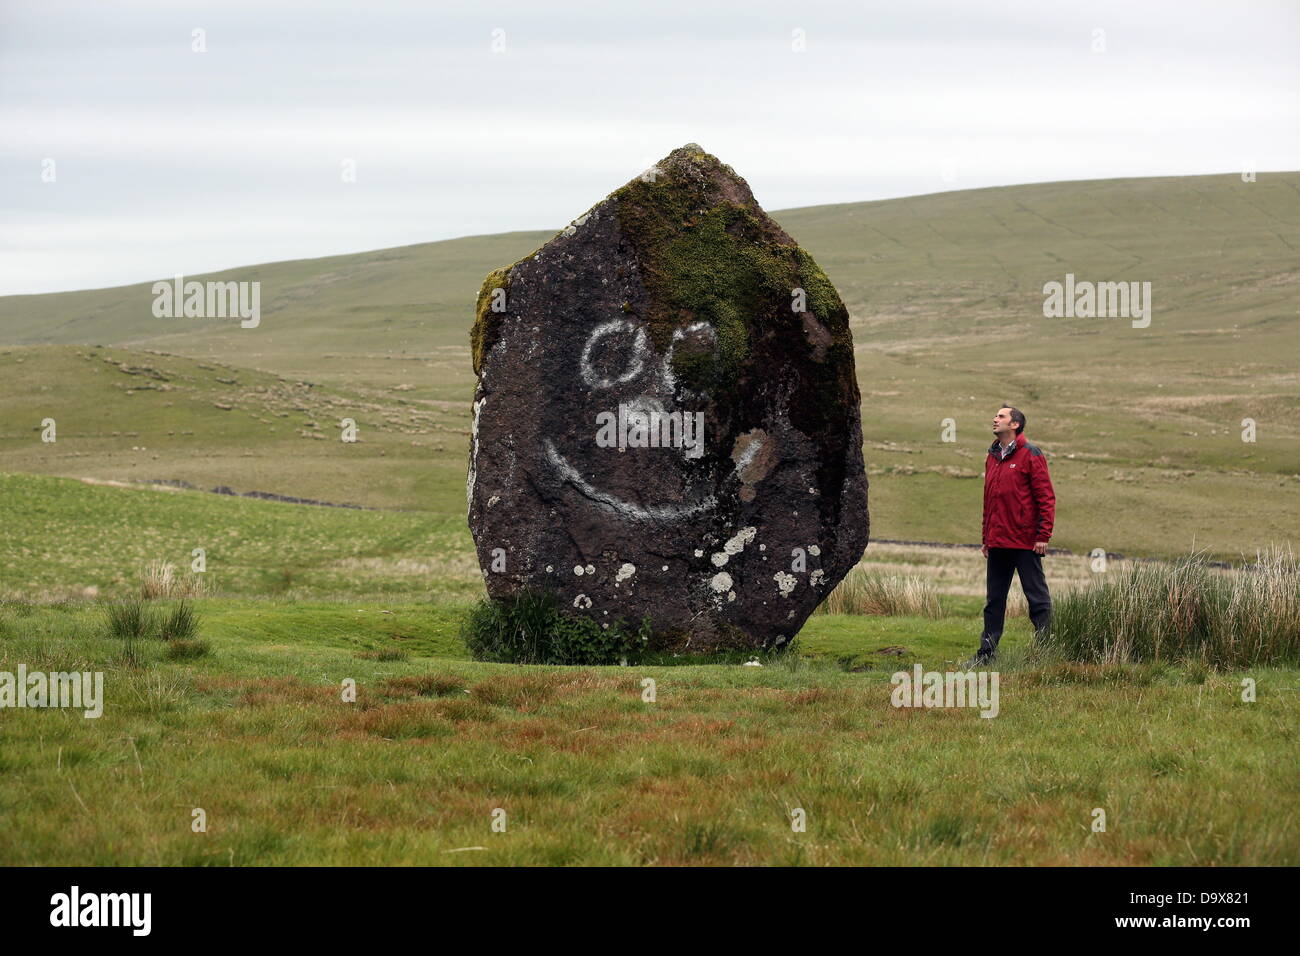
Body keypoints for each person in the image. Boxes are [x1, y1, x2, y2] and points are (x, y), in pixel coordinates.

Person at [969, 405, 1055, 666]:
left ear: (1015, 424)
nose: (995, 419)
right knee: (994, 601)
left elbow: (1046, 497)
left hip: (1026, 542)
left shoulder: (1031, 454)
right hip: (997, 542)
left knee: (1037, 599)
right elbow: (989, 500)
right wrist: (986, 537)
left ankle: (1046, 652)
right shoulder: (992, 455)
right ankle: (986, 655)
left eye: (1001, 416)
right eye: (995, 415)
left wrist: (1043, 535)